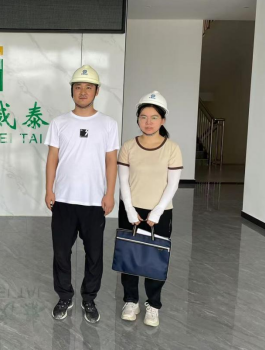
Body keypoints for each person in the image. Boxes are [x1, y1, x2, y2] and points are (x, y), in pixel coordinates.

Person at [44, 65, 120, 324]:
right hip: (64, 200)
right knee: (61, 253)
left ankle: (89, 299)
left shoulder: (108, 124)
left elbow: (111, 161)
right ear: (72, 91)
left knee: (94, 255)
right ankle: (64, 296)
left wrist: (110, 194)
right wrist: (49, 189)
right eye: (78, 87)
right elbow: (52, 158)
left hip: (94, 202)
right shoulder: (59, 123)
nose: (83, 91)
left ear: (97, 91)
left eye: (88, 87)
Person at [117, 90, 182, 327]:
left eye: (154, 117)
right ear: (137, 119)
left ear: (162, 120)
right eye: (143, 117)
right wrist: (129, 209)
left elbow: (173, 184)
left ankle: (153, 305)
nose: (148, 122)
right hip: (131, 210)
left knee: (156, 258)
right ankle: (130, 301)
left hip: (160, 212)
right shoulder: (128, 147)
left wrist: (157, 211)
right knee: (129, 256)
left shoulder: (172, 148)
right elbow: (123, 180)